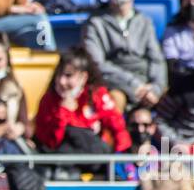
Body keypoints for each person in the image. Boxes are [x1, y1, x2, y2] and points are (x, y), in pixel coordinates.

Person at [82, 0, 167, 113]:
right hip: (115, 84)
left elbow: (156, 60)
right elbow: (97, 64)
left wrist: (156, 87)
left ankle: (166, 138)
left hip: (146, 85)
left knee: (173, 104)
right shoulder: (94, 23)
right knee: (113, 101)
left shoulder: (145, 21)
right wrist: (134, 85)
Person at [34, 47, 131, 175]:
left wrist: (122, 159)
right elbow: (51, 143)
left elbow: (118, 128)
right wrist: (63, 112)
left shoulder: (97, 96)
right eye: (59, 75)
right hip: (62, 161)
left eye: (68, 76)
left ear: (83, 77)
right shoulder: (49, 100)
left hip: (96, 158)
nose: (62, 82)